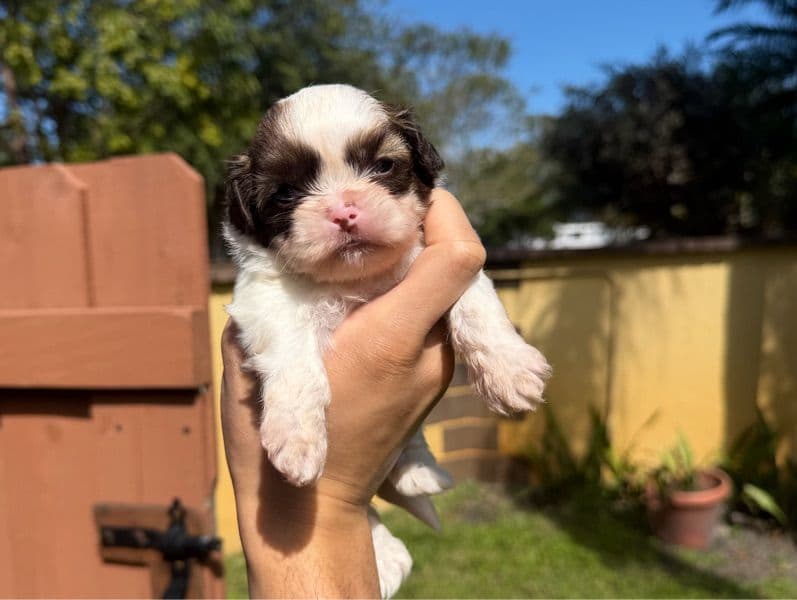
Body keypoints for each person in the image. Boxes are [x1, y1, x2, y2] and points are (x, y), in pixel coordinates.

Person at [220, 189, 486, 598]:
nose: (344, 212)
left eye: (380, 168)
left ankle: (409, 457)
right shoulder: (275, 279)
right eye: (291, 195)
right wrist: (334, 496)